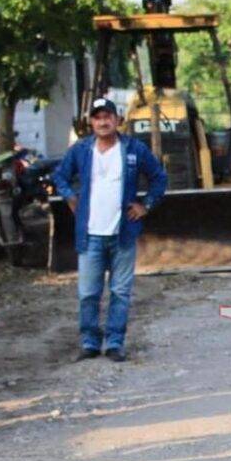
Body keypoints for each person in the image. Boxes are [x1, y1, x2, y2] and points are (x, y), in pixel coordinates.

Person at [52, 98, 169, 362]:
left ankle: (115, 343)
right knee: (88, 293)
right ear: (91, 122)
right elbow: (59, 175)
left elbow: (159, 178)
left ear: (117, 120)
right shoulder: (81, 150)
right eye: (97, 117)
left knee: (120, 291)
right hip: (90, 235)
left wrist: (145, 205)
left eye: (108, 116)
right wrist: (70, 197)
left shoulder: (133, 149)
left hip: (123, 233)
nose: (103, 122)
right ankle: (89, 342)